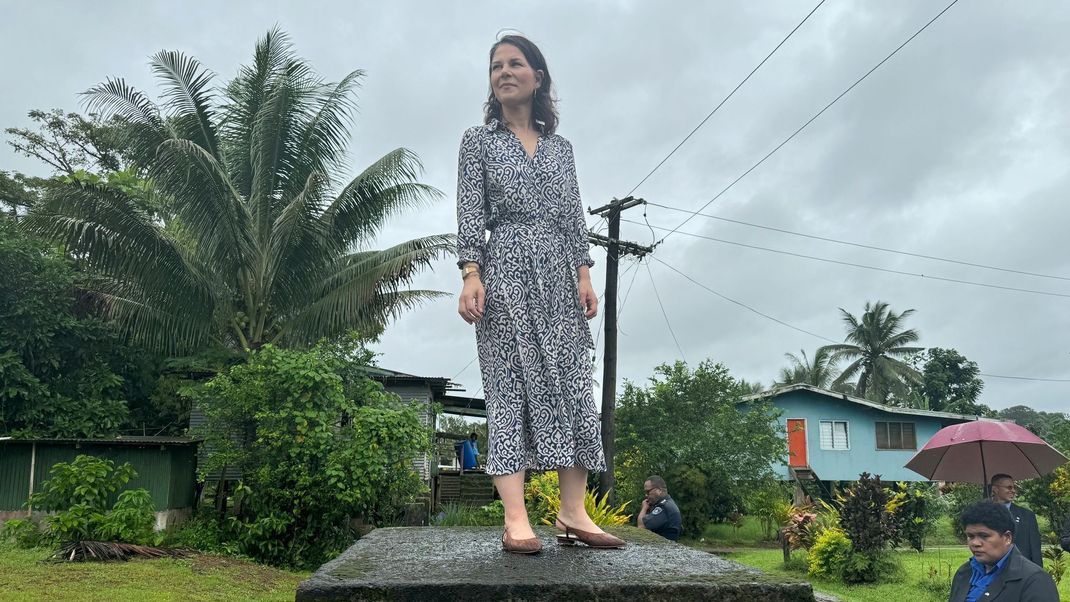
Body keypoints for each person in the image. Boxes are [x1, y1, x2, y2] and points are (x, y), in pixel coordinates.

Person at [455, 34, 624, 555]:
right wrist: (470, 272)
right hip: (504, 270)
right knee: (510, 387)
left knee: (574, 386)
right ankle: (516, 520)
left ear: (538, 76)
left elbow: (573, 215)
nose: (504, 72)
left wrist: (585, 274)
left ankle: (573, 513)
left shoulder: (561, 149)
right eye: (495, 66)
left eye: (515, 64)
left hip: (558, 277)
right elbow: (469, 209)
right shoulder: (478, 141)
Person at [948, 501, 1058, 602]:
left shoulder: (1035, 580)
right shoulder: (965, 572)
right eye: (970, 536)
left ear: (1007, 537)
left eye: (984, 536)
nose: (975, 543)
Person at [990, 473, 1043, 567]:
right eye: (1009, 487)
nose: (1013, 491)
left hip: (1021, 571)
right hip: (991, 570)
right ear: (995, 489)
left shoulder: (1027, 516)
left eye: (1014, 487)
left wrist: (1039, 575)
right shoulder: (984, 514)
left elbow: (1035, 550)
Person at [636, 475, 682, 541]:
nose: (646, 495)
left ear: (659, 490)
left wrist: (644, 508)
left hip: (664, 548)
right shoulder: (667, 503)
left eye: (648, 492)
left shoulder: (663, 507)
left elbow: (641, 528)